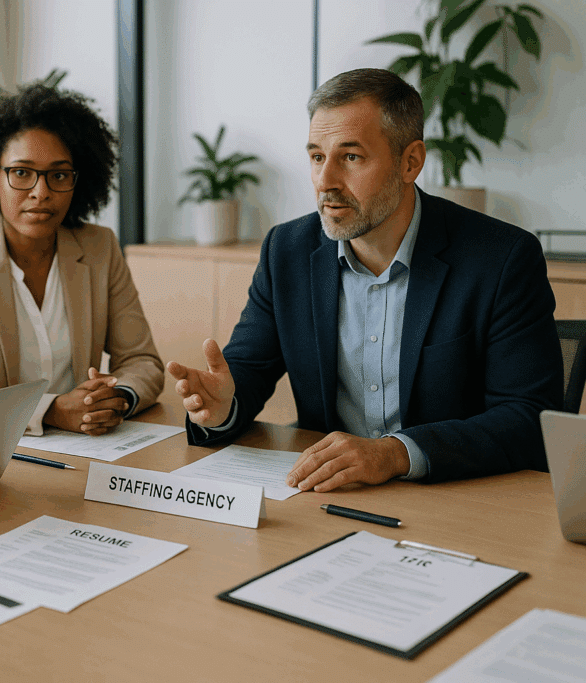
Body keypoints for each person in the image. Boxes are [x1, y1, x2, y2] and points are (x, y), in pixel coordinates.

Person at [167, 68, 563, 491]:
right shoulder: (288, 251)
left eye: (351, 157)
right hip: (330, 496)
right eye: (317, 157)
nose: (325, 182)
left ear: (410, 162)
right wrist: (224, 405)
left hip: (456, 499)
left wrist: (395, 453)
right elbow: (247, 369)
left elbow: (528, 417)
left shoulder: (500, 259)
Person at [0, 84, 163, 468]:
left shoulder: (99, 248)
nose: (41, 192)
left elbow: (142, 360)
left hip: (88, 455)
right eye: (22, 173)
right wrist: (53, 410)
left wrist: (117, 398)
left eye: (59, 176)